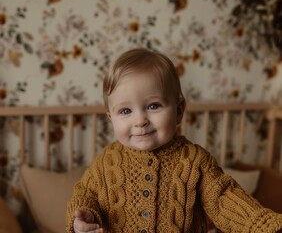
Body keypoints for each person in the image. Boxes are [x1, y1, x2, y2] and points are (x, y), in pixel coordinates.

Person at [66, 48, 282, 233]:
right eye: (125, 110)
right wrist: (83, 218)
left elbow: (224, 198)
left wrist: (262, 224)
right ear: (110, 118)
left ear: (179, 111)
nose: (140, 120)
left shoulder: (195, 160)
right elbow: (86, 193)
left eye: (153, 106)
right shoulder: (107, 161)